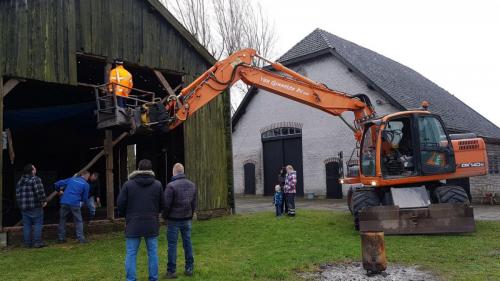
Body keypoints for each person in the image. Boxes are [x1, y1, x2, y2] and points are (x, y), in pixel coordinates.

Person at [117, 159, 164, 281]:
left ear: (138, 169)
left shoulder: (128, 184)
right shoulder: (157, 185)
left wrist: (126, 215)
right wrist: (154, 213)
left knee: (131, 254)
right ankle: (153, 278)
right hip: (151, 223)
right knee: (152, 253)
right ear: (150, 169)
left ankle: (131, 279)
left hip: (133, 223)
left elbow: (120, 204)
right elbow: (162, 204)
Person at [163, 163, 197, 279]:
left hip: (173, 220)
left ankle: (171, 271)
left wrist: (165, 216)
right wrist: (190, 215)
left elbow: (166, 205)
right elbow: (193, 204)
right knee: (187, 243)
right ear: (182, 171)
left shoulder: (170, 186)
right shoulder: (192, 185)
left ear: (174, 172)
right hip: (187, 218)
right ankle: (189, 267)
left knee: (172, 245)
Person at [15, 164, 47, 248]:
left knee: (27, 225)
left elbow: (17, 195)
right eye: (34, 168)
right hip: (35, 206)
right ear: (32, 170)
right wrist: (43, 201)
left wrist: (20, 205)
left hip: (24, 207)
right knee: (38, 223)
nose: (35, 169)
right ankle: (37, 242)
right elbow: (39, 192)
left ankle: (27, 243)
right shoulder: (35, 179)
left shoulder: (20, 181)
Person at [54, 171, 90, 244]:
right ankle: (81, 239)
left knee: (62, 220)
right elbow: (85, 198)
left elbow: (57, 184)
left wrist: (58, 191)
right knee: (78, 221)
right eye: (88, 177)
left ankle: (61, 238)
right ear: (86, 176)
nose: (88, 179)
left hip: (64, 201)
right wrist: (81, 203)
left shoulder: (72, 179)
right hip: (75, 202)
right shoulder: (86, 184)